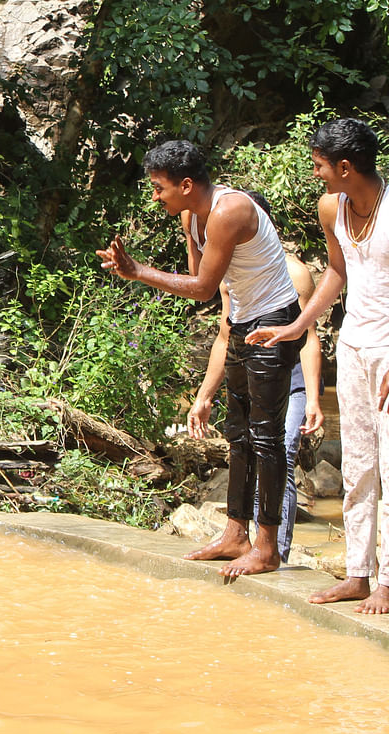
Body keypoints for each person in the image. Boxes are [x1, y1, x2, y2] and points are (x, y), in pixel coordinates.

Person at [246, 118, 389, 614]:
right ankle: (358, 574)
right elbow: (337, 273)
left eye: (320, 166)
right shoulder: (330, 207)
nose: (315, 174)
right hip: (355, 348)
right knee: (358, 468)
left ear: (345, 166)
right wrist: (296, 328)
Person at [97, 140, 305, 577]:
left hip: (274, 320)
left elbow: (204, 288)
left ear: (186, 184)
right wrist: (189, 229)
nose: (155, 198)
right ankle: (235, 533)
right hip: (243, 321)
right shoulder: (194, 213)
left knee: (266, 436)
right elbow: (197, 276)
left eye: (159, 189)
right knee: (238, 433)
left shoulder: (230, 211)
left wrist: (137, 271)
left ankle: (266, 547)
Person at [187, 244, 324, 561]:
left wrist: (314, 399)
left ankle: (276, 552)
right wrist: (204, 396)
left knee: (282, 452)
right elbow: (224, 336)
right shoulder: (228, 276)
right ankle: (238, 539)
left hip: (291, 374)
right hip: (247, 370)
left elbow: (310, 338)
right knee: (244, 448)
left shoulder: (295, 272)